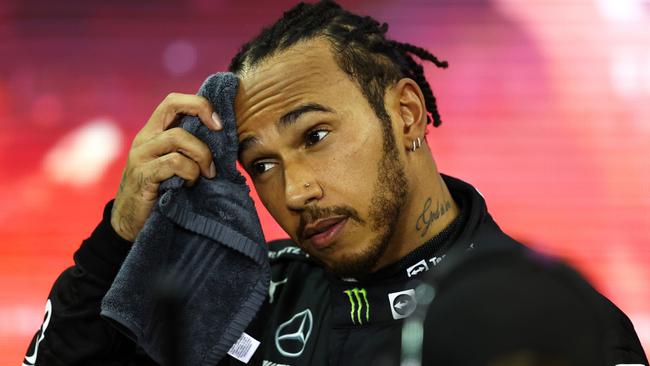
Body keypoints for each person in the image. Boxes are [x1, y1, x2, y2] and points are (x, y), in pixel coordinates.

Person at [24, 1, 647, 365]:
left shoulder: (547, 320)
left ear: (405, 115)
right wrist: (119, 235)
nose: (293, 193)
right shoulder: (234, 291)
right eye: (261, 164)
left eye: (314, 137)